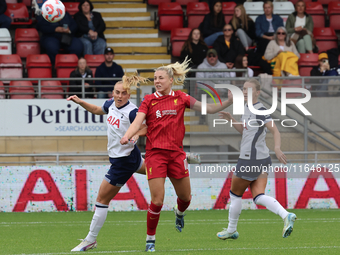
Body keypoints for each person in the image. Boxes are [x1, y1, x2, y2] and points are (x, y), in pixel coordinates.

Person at [120, 58, 233, 252]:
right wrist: (127, 135)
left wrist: (229, 101)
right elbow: (137, 122)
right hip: (155, 155)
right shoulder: (149, 100)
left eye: (161, 78)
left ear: (171, 80)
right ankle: (150, 240)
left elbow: (209, 108)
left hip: (177, 155)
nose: (157, 81)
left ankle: (179, 213)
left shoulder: (181, 98)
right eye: (155, 78)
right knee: (157, 200)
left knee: (186, 198)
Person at [69, 74, 149, 252]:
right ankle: (180, 160)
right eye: (117, 92)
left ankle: (90, 240)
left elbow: (145, 127)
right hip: (131, 156)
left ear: (129, 95)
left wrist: (135, 135)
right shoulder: (111, 104)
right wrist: (80, 102)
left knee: (101, 200)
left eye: (124, 93)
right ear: (113, 93)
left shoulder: (132, 111)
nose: (120, 96)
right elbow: (98, 109)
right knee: (156, 171)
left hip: (123, 161)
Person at [217, 78, 297, 241]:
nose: (245, 92)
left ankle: (232, 229)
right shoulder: (247, 108)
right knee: (258, 196)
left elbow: (275, 130)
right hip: (262, 159)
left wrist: (277, 147)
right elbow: (245, 131)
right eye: (244, 89)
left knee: (235, 194)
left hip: (249, 160)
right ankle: (286, 215)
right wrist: (232, 119)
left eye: (249, 90)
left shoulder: (259, 110)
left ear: (258, 93)